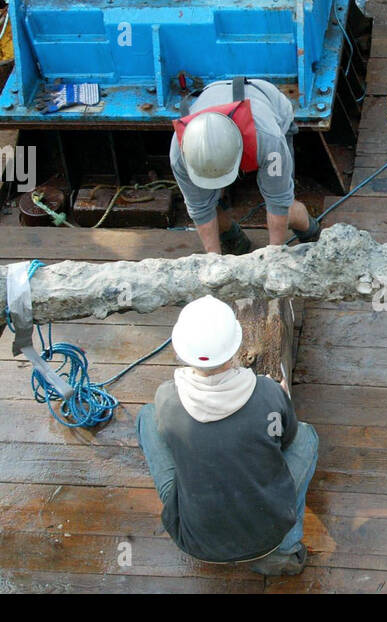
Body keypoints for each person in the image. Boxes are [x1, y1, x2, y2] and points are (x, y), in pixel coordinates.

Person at [136, 295, 319, 576]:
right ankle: (283, 551)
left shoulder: (168, 398)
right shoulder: (267, 393)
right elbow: (289, 438)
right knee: (307, 436)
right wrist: (277, 400)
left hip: (195, 539)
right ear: (236, 347)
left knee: (148, 416)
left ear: (180, 349)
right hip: (265, 532)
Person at [169, 78, 318, 255]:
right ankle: (235, 242)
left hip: (268, 106)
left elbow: (278, 202)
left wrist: (274, 258)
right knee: (213, 213)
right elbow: (200, 209)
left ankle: (312, 233)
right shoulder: (180, 155)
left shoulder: (269, 140)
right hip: (215, 96)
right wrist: (213, 262)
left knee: (290, 211)